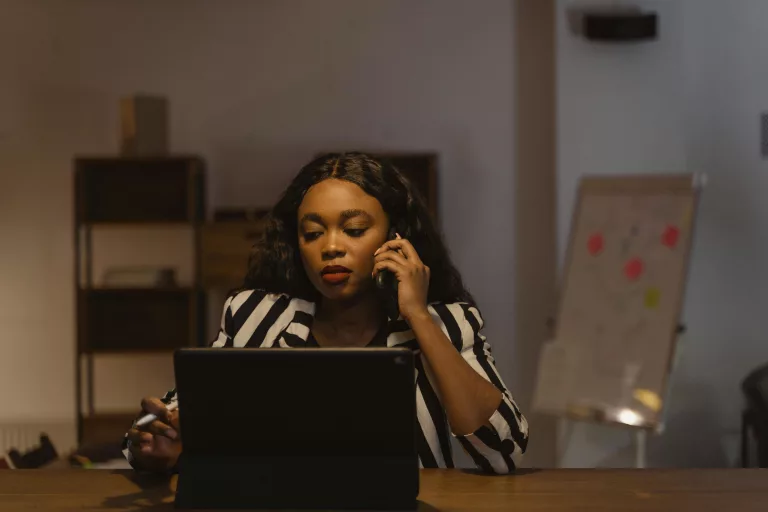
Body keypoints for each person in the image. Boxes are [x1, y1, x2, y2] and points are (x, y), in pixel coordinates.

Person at [124, 152, 528, 474]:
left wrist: (419, 317)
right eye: (313, 233)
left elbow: (501, 453)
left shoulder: (449, 323)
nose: (331, 247)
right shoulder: (253, 315)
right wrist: (157, 443)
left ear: (394, 238)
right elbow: (173, 419)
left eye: (353, 230)